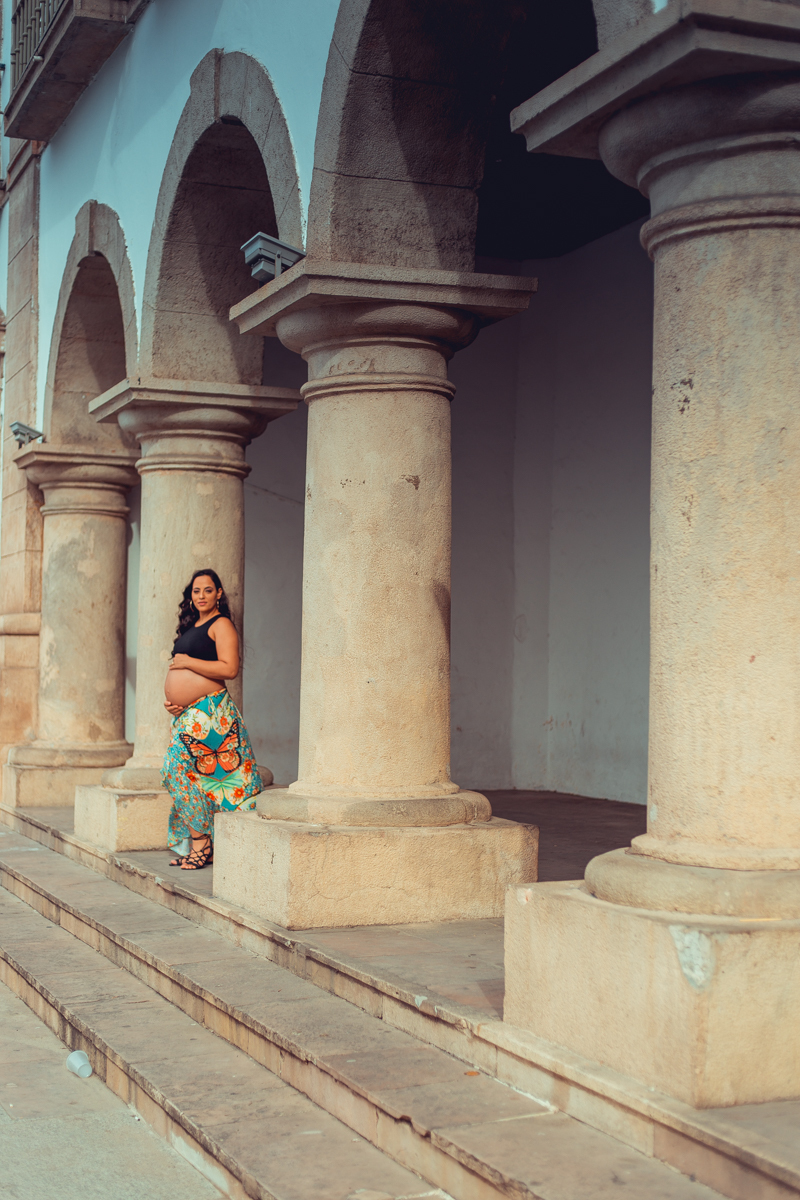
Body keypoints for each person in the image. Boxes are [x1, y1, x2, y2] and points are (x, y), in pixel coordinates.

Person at [162, 568, 261, 870]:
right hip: (190, 715)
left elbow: (229, 669)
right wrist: (175, 703)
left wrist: (188, 662)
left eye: (208, 590)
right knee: (197, 776)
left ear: (219, 593)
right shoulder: (191, 626)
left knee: (176, 769)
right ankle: (207, 846)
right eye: (196, 591)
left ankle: (201, 844)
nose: (201, 595)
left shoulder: (222, 624)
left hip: (212, 715)